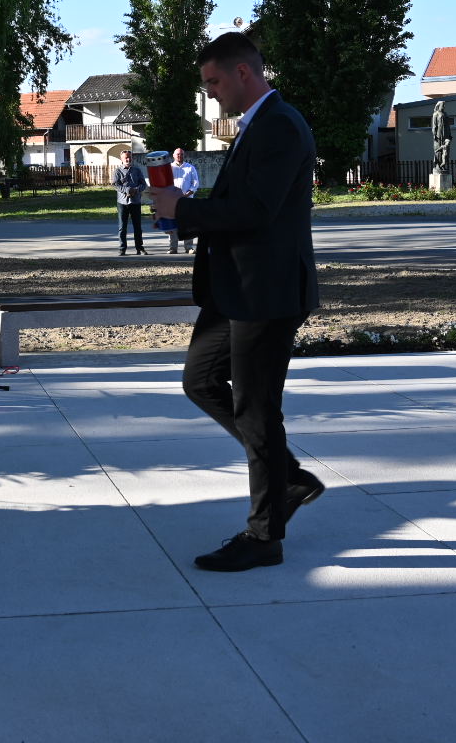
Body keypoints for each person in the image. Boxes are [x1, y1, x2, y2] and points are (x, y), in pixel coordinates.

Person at [151, 31, 322, 574]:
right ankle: (287, 478)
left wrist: (184, 209)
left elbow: (256, 211)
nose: (211, 92)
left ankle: (265, 536)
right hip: (236, 290)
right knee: (200, 380)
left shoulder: (280, 125)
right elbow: (244, 203)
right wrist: (183, 208)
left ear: (242, 72)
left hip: (266, 292)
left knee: (256, 407)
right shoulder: (258, 124)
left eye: (214, 81)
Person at [159, 147, 201, 254]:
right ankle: (173, 248)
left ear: (184, 155)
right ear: (173, 155)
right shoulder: (168, 168)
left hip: (187, 200)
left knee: (188, 224)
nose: (179, 156)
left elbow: (195, 183)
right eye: (177, 154)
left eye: (181, 154)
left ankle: (189, 247)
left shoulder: (190, 168)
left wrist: (187, 194)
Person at [112, 150, 148, 256]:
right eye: (126, 158)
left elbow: (143, 184)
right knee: (122, 227)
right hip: (122, 202)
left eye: (129, 157)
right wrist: (127, 190)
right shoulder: (117, 171)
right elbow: (115, 185)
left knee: (137, 226)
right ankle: (122, 249)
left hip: (135, 201)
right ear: (122, 159)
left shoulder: (137, 170)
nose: (128, 159)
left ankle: (139, 248)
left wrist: (136, 190)